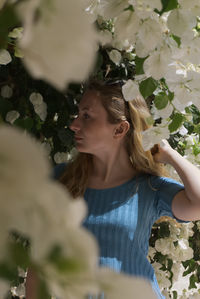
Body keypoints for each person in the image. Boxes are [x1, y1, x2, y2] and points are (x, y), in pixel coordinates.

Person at [26, 80, 200, 299]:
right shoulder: (62, 180)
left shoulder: (149, 187)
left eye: (86, 116)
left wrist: (169, 153)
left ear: (120, 128)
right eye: (78, 114)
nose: (74, 124)